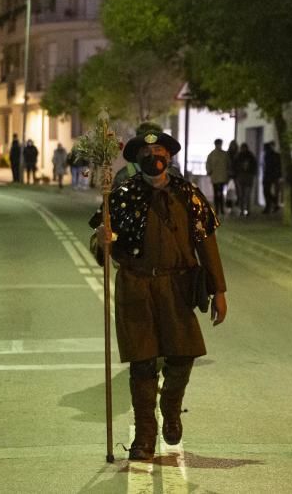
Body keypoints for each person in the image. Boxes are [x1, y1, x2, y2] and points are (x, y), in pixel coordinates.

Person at [91, 130, 228, 461]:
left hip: (177, 288)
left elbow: (206, 244)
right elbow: (100, 247)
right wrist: (104, 240)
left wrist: (218, 290)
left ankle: (171, 407)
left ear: (169, 155)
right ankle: (145, 436)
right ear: (137, 158)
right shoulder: (121, 196)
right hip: (136, 289)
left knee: (183, 356)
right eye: (148, 150)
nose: (154, 156)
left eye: (160, 150)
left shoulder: (188, 195)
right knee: (142, 364)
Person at [205, 139, 231, 218]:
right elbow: (208, 164)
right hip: (217, 177)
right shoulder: (213, 154)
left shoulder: (222, 154)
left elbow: (228, 165)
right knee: (217, 194)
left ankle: (221, 209)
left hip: (220, 177)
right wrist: (209, 171)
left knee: (220, 194)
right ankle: (218, 209)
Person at [233, 143, 257, 217]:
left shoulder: (239, 156)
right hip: (244, 177)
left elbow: (235, 166)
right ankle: (244, 210)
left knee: (244, 195)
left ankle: (244, 210)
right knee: (244, 195)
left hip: (244, 177)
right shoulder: (249, 156)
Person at [262, 142, 282, 214]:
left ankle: (271, 205)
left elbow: (268, 167)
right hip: (273, 176)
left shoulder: (268, 156)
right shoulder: (274, 155)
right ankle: (274, 204)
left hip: (270, 176)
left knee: (267, 192)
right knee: (268, 192)